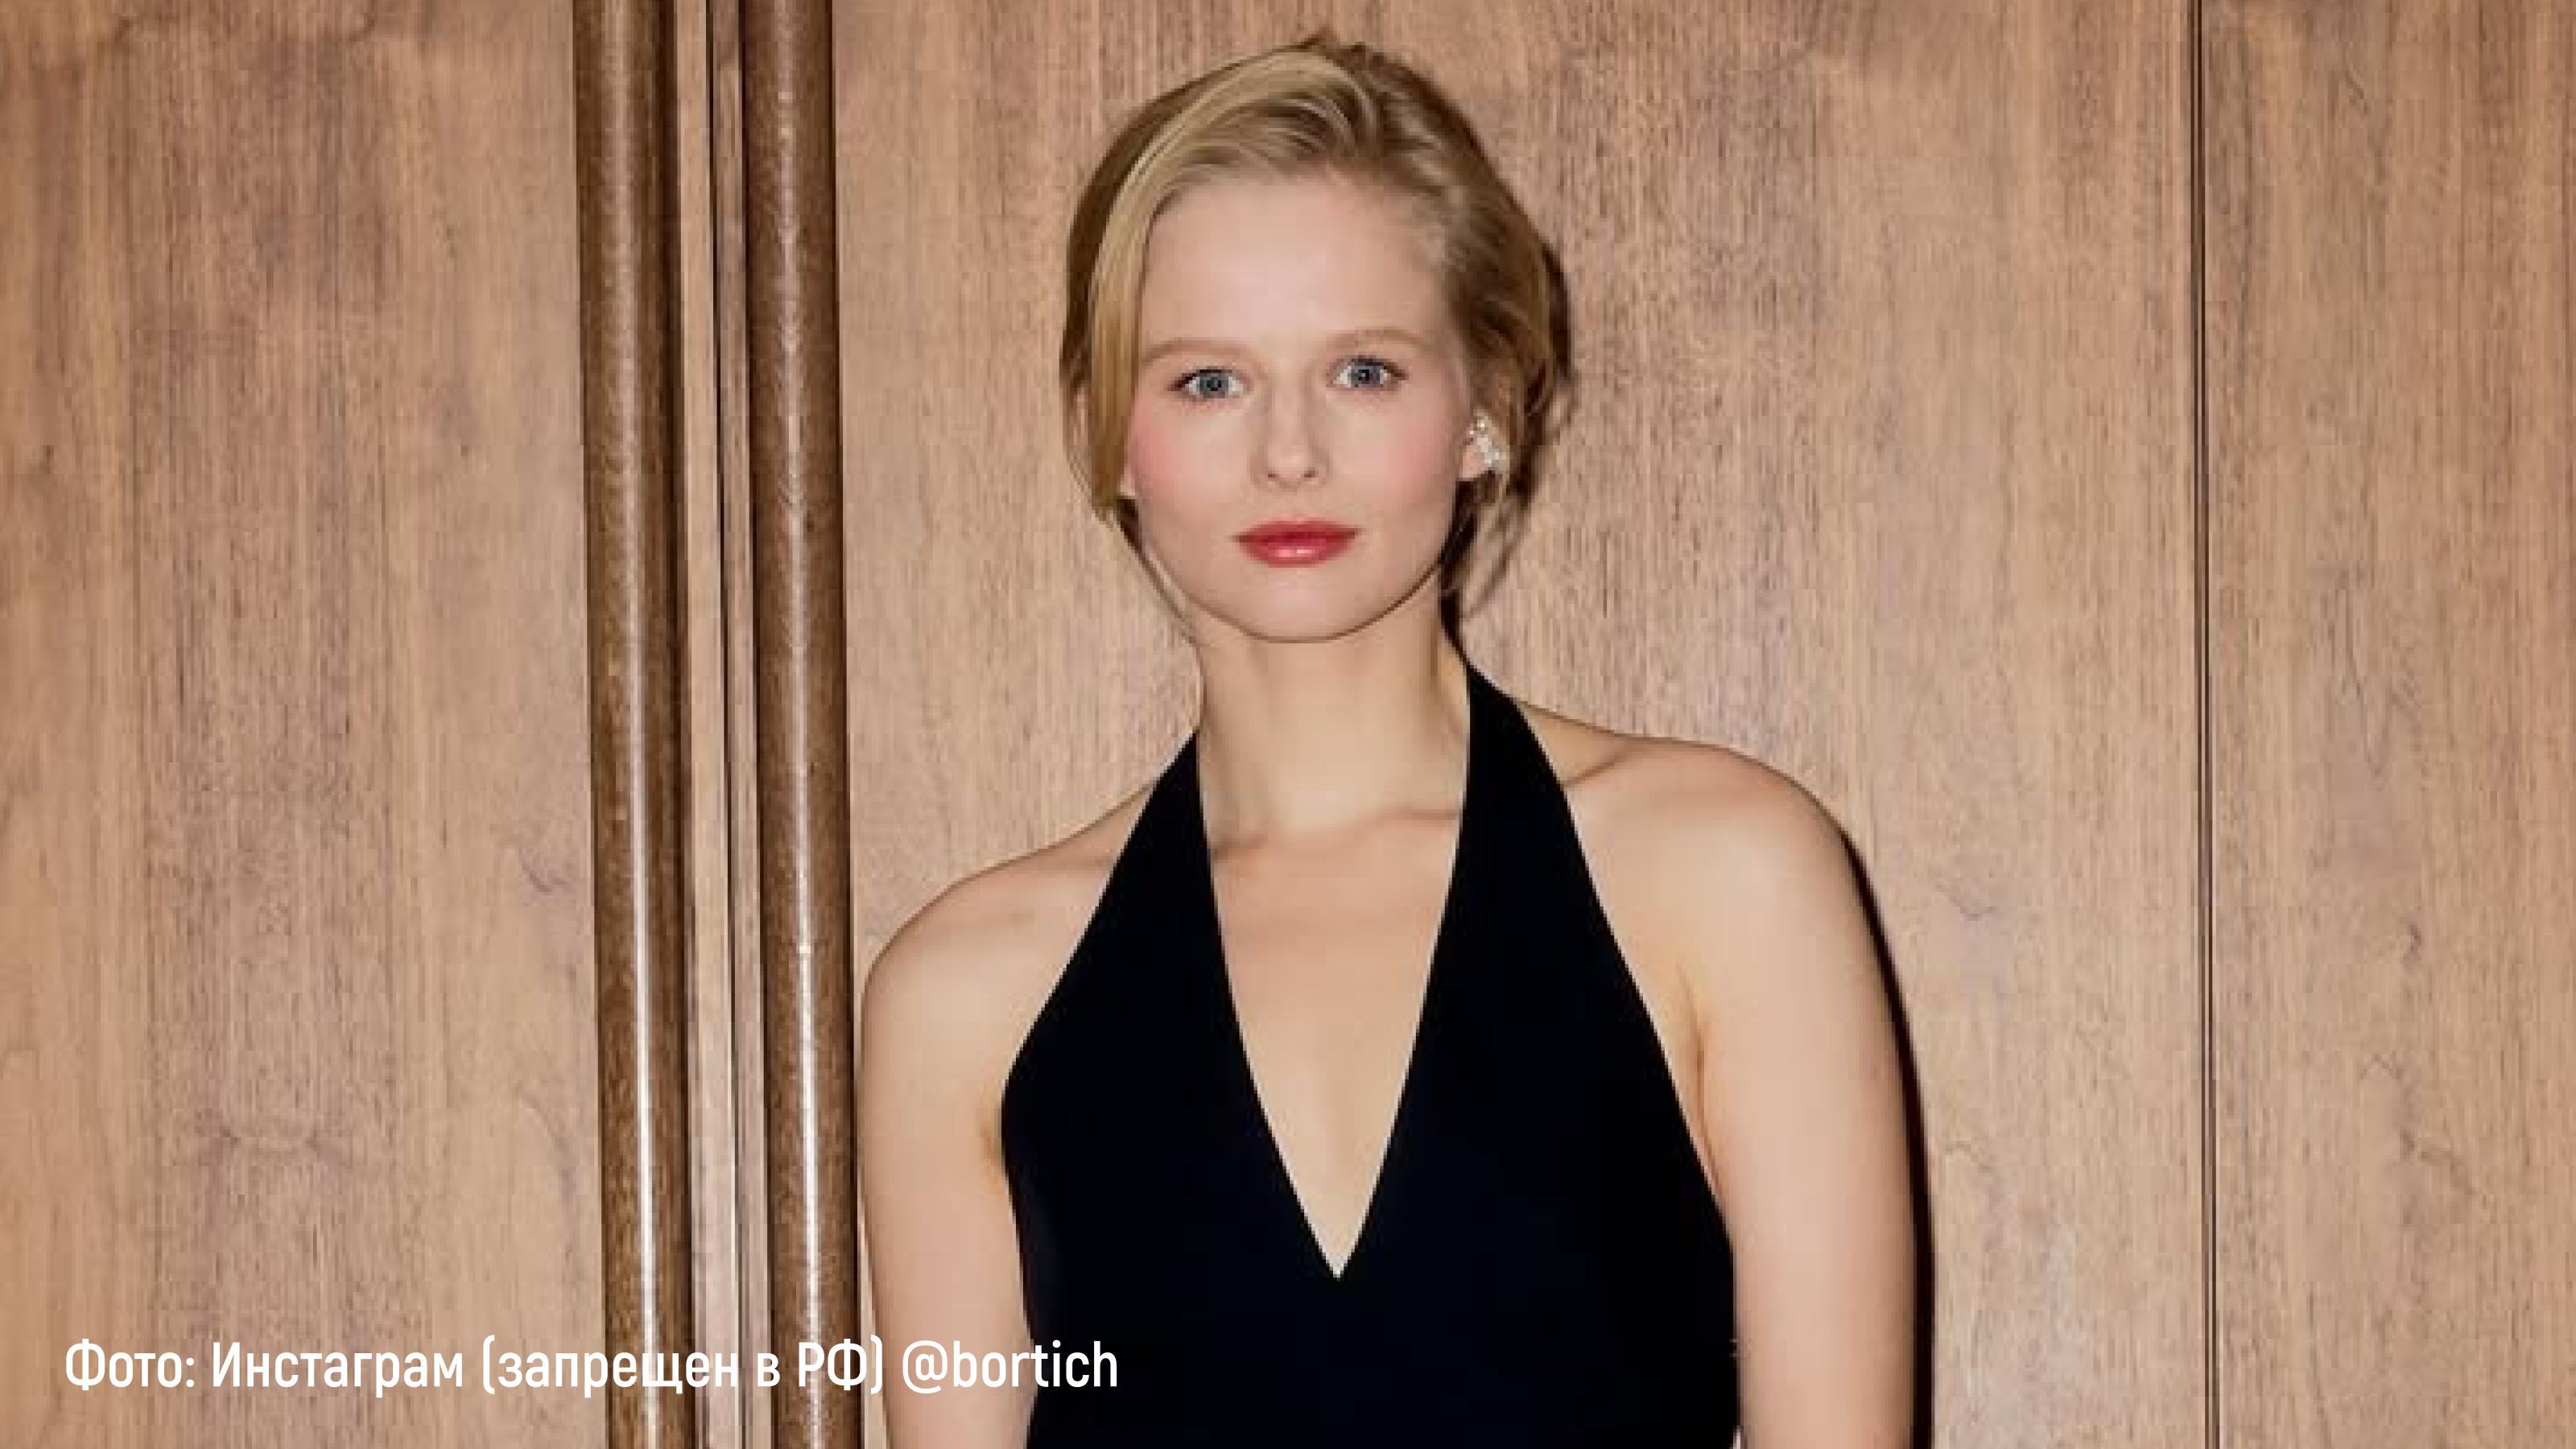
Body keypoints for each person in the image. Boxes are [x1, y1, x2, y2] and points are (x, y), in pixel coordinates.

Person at [857, 33, 1915, 1448]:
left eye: (1362, 370)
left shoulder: (1727, 878)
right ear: (1111, 436)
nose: (1289, 451)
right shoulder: (965, 996)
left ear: (1481, 410)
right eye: (1208, 382)